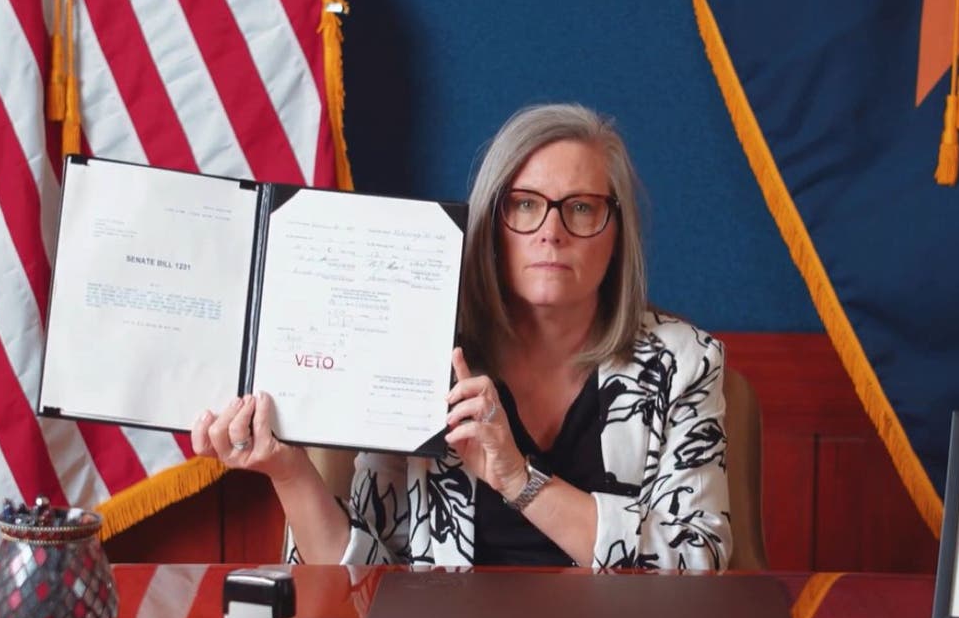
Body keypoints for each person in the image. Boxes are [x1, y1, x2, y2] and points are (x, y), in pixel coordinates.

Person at [190, 103, 733, 570]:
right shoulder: (421, 348)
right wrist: (286, 471)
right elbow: (358, 580)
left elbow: (698, 559)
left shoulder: (683, 362)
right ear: (491, 227)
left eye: (582, 207)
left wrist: (519, 479)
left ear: (617, 235)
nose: (551, 230)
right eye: (524, 204)